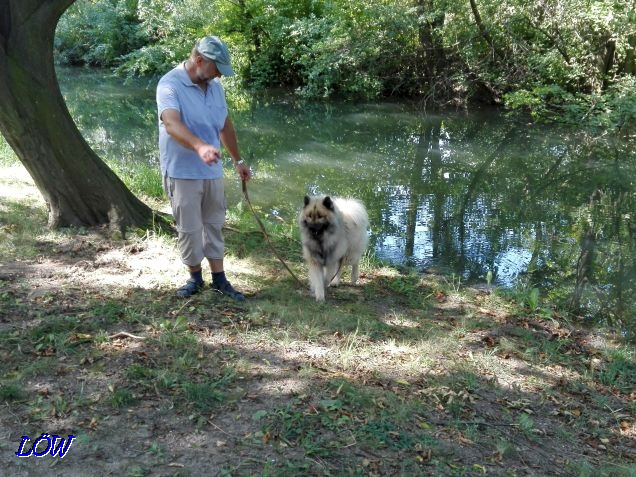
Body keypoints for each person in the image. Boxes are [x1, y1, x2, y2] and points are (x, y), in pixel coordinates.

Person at [156, 35, 251, 300]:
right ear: (199, 61)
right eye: (216, 69)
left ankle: (220, 280)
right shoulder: (169, 84)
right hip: (182, 171)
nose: (219, 75)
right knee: (189, 229)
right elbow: (171, 124)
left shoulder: (215, 88)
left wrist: (238, 159)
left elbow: (224, 124)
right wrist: (199, 147)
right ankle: (195, 278)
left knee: (214, 224)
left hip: (212, 171)